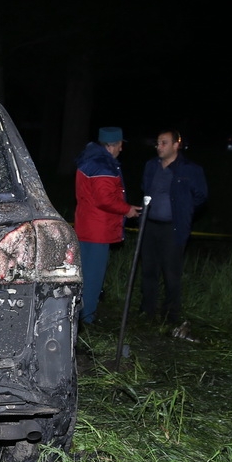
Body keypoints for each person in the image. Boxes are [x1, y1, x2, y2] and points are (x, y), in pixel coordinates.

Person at [140, 129, 207, 324]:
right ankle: (147, 311)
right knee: (148, 270)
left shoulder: (190, 169)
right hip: (150, 226)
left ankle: (170, 315)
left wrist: (184, 209)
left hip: (173, 228)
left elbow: (201, 195)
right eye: (158, 143)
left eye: (164, 143)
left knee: (171, 272)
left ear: (176, 145)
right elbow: (145, 187)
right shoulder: (151, 165)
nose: (159, 146)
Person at [74, 127, 139, 324]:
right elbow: (105, 199)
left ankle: (76, 315)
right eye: (120, 145)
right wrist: (127, 209)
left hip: (85, 225)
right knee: (93, 277)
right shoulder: (102, 165)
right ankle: (87, 318)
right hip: (98, 230)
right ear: (111, 146)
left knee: (83, 274)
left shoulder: (88, 160)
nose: (121, 149)